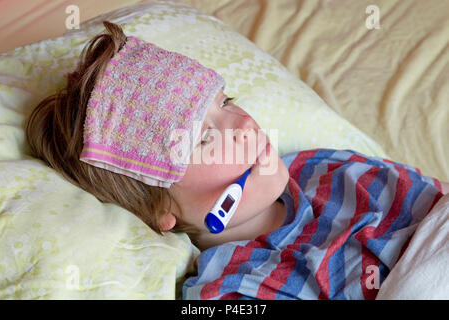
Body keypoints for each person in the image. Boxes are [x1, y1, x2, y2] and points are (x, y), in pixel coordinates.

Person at [25, 21, 449, 300]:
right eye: (206, 136)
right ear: (162, 211)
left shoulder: (331, 170)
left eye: (226, 101)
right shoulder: (232, 294)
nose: (245, 123)